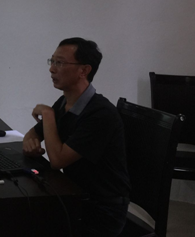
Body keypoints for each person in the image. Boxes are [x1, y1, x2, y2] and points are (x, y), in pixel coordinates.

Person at [23, 38, 130, 237]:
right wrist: (30, 142)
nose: (52, 69)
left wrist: (47, 114)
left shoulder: (100, 114)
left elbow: (57, 160)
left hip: (102, 209)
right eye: (52, 61)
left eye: (60, 63)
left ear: (84, 70)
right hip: (75, 194)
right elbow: (33, 133)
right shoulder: (65, 102)